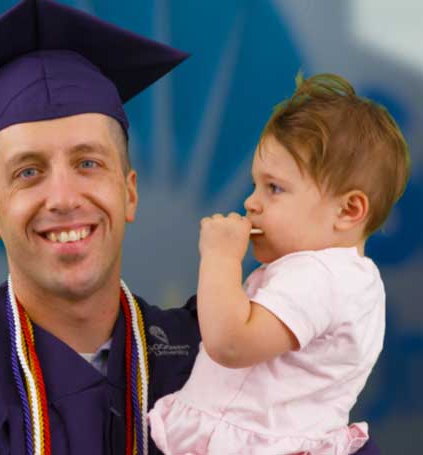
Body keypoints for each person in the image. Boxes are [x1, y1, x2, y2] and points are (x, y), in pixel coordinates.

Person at [0, 1, 201, 454]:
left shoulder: (202, 358)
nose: (63, 198)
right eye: (28, 171)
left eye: (88, 162)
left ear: (130, 192)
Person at [148, 73, 410, 454]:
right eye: (256, 185)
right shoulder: (345, 277)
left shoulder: (321, 277)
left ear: (348, 210)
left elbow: (231, 344)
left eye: (274, 188)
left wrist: (220, 257)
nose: (251, 203)